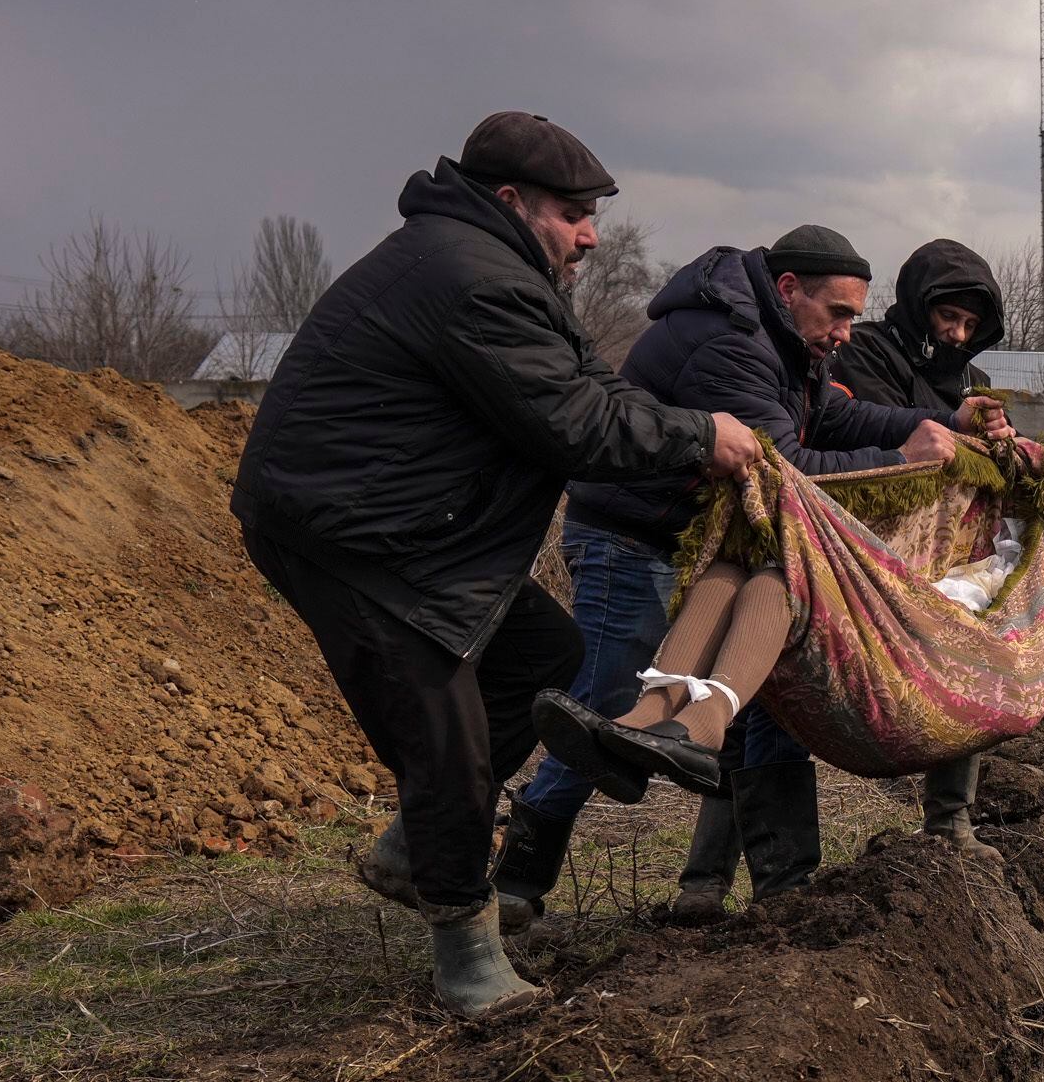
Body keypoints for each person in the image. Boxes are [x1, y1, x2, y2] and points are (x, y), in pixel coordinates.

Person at [230, 112, 761, 1022]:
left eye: (593, 212)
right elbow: (574, 426)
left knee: (540, 658)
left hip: (416, 531)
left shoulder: (501, 268)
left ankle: (410, 850)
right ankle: (466, 952)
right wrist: (698, 435)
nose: (590, 233)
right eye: (573, 212)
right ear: (511, 201)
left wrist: (678, 421)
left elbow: (594, 385)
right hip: (356, 538)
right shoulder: (473, 279)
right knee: (448, 736)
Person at [490, 227, 1007, 924]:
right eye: (838, 314)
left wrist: (938, 420)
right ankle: (518, 878)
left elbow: (836, 414)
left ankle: (782, 890)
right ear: (789, 290)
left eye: (856, 316)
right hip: (632, 535)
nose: (847, 333)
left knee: (764, 702)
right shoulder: (733, 346)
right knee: (608, 705)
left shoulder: (787, 342)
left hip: (706, 541)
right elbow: (784, 470)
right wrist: (905, 455)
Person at [832, 240, 1010, 851]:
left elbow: (976, 463)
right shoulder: (863, 352)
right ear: (917, 305)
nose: (958, 334)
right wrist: (954, 424)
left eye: (969, 324)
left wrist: (1000, 440)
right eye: (948, 318)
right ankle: (717, 875)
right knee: (783, 697)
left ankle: (950, 823)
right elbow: (871, 423)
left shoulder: (974, 381)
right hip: (856, 543)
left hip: (945, 550)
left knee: (968, 656)